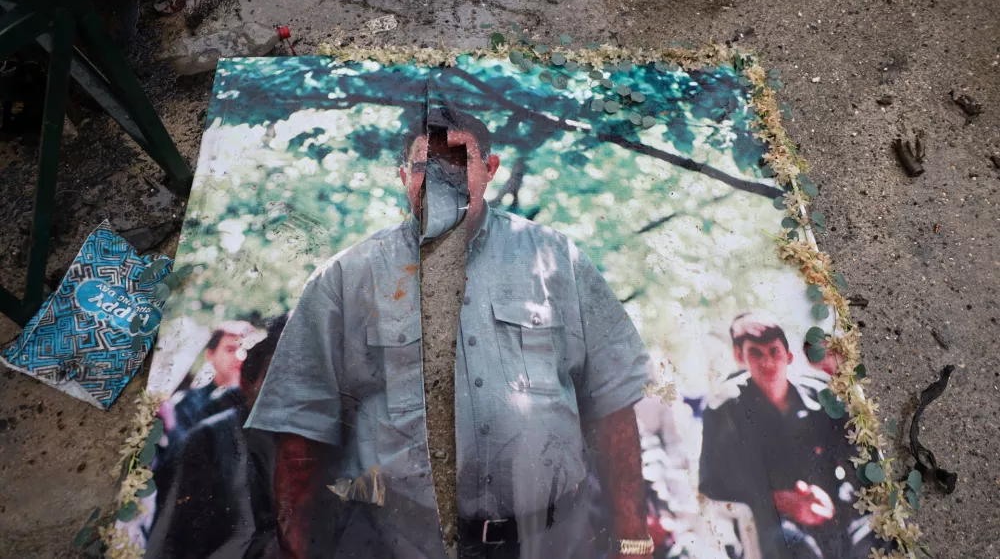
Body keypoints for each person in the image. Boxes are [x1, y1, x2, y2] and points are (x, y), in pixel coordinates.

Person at [245, 107, 654, 559]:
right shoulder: (344, 279)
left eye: (457, 160)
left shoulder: (558, 260)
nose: (440, 177)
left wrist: (632, 537)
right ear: (404, 176)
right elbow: (301, 435)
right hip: (402, 541)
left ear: (490, 169)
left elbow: (612, 404)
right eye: (423, 166)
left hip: (557, 536)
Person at [699, 311, 872, 559]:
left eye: (774, 351)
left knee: (871, 539)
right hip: (773, 522)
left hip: (835, 512)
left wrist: (835, 504)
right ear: (741, 358)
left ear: (789, 356)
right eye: (755, 354)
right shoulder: (725, 410)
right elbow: (713, 483)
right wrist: (778, 500)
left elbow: (855, 460)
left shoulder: (822, 399)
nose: (768, 363)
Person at [146, 315, 286, 559]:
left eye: (243, 349)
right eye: (231, 349)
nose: (238, 356)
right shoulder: (197, 411)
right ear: (210, 355)